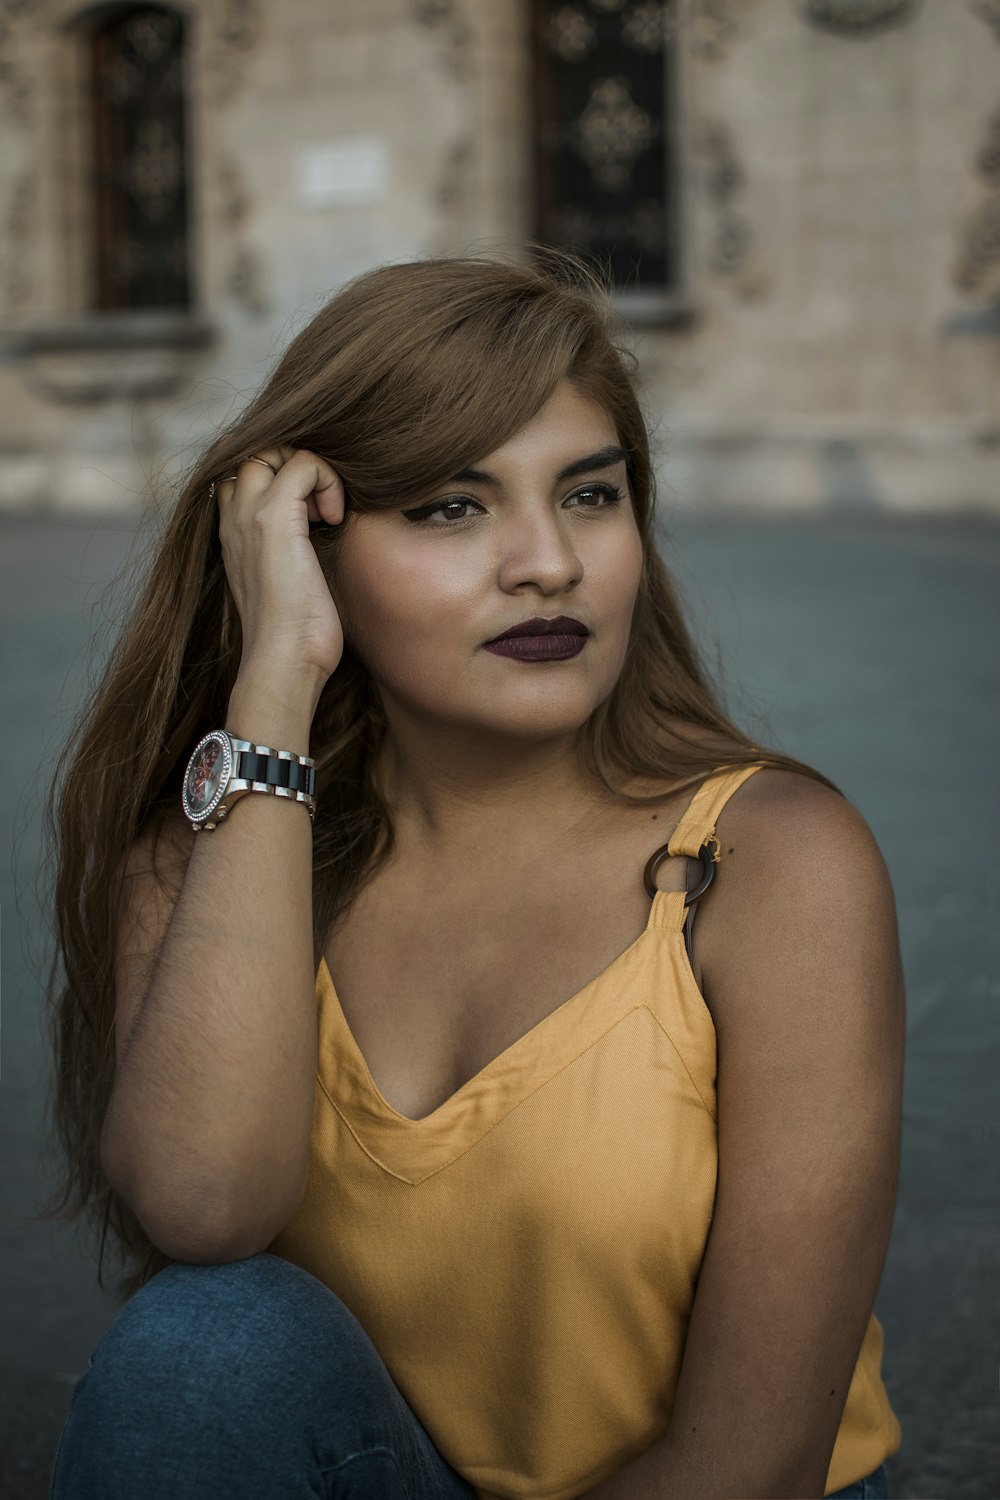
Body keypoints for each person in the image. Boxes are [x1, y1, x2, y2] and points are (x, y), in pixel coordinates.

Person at [42, 251, 904, 1499]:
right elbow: (205, 1206)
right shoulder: (214, 853)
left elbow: (748, 1460)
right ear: (310, 554)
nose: (547, 562)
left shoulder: (770, 865)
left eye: (590, 495)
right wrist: (273, 692)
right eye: (452, 507)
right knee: (205, 1346)